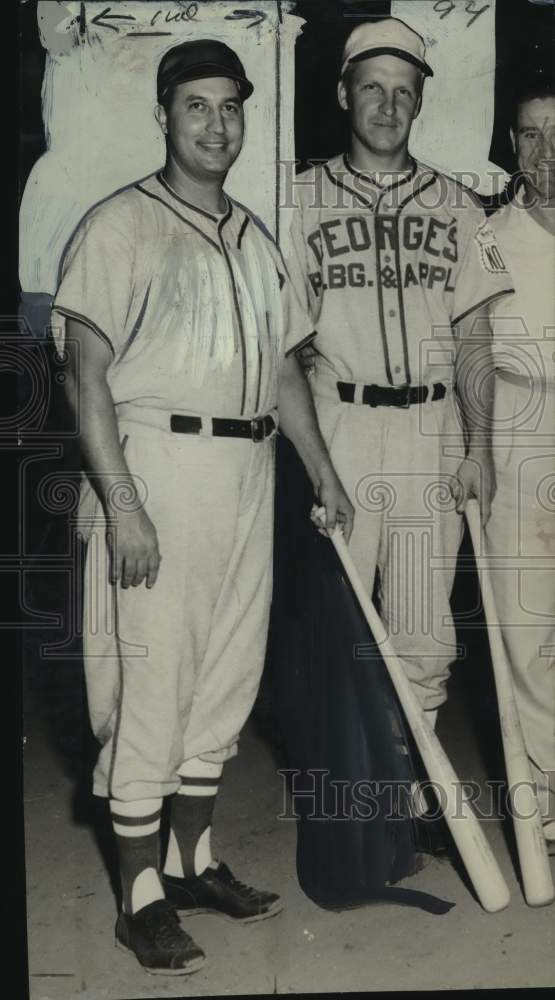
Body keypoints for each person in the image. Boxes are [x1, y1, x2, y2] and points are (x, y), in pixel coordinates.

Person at [51, 39, 353, 977]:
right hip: (156, 465)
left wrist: (326, 471)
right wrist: (124, 505)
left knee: (225, 668)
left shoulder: (256, 238)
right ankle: (139, 896)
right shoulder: (118, 226)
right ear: (165, 115)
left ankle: (193, 860)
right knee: (151, 676)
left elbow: (286, 372)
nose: (217, 125)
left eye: (230, 107)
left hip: (247, 469)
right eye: (197, 108)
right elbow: (85, 378)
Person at [285, 18, 514, 743]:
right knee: (336, 621)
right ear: (343, 94)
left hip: (430, 428)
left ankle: (410, 795)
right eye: (372, 89)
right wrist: (313, 461)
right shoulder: (295, 199)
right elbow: (282, 350)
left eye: (403, 93)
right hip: (338, 422)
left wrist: (478, 450)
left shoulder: (457, 205)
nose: (387, 107)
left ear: (419, 104)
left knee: (421, 624)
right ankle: (348, 803)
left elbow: (476, 339)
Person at [486, 79, 555, 851]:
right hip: (519, 419)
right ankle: (541, 789)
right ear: (511, 144)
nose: (546, 152)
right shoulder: (489, 236)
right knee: (527, 619)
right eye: (531, 134)